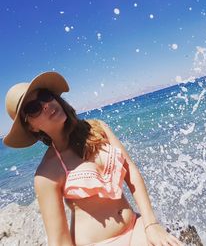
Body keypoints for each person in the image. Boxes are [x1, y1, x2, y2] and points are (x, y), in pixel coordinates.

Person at [3, 72, 183, 246]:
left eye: (45, 96)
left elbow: (131, 173)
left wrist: (151, 224)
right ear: (31, 127)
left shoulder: (97, 128)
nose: (45, 105)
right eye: (33, 108)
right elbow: (59, 241)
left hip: (135, 226)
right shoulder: (46, 174)